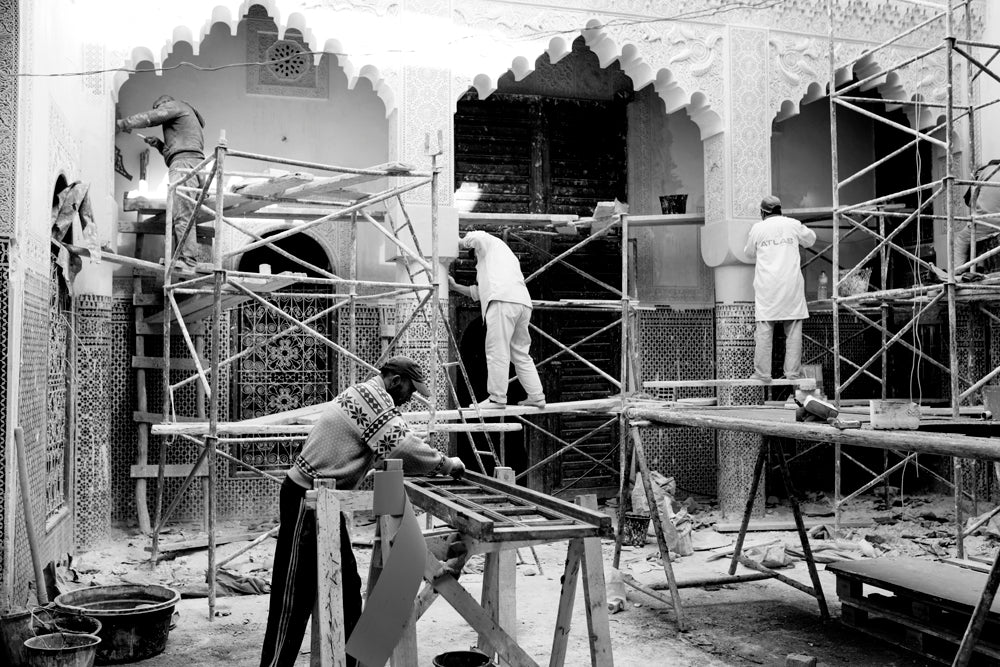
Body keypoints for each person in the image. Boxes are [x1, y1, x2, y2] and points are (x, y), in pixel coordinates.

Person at [258, 356, 466, 667]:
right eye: (410, 389)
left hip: (323, 502)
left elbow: (392, 445)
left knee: (347, 590)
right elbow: (402, 447)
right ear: (395, 380)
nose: (411, 397)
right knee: (293, 600)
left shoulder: (371, 396)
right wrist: (446, 464)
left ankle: (352, 663)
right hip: (306, 500)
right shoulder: (372, 399)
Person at [448, 231, 546, 409]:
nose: (476, 262)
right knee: (520, 354)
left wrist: (460, 242)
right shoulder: (503, 259)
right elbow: (478, 293)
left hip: (502, 302)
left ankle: (497, 398)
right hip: (521, 303)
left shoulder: (487, 242)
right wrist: (455, 287)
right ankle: (536, 396)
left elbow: (477, 238)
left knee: (497, 352)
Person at [115, 95, 206, 272]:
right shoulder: (188, 116)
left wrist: (122, 124)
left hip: (185, 165)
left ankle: (188, 261)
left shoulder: (176, 106)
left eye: (158, 107)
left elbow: (151, 117)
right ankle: (186, 258)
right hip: (193, 165)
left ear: (164, 103)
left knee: (182, 215)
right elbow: (175, 154)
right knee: (185, 214)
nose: (158, 110)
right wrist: (158, 145)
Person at [744, 195, 817, 382]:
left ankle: (762, 374)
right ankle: (792, 374)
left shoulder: (758, 228)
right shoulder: (793, 224)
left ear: (762, 212)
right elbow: (811, 240)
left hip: (767, 288)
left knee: (764, 331)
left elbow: (749, 252)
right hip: (790, 287)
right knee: (793, 333)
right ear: (779, 210)